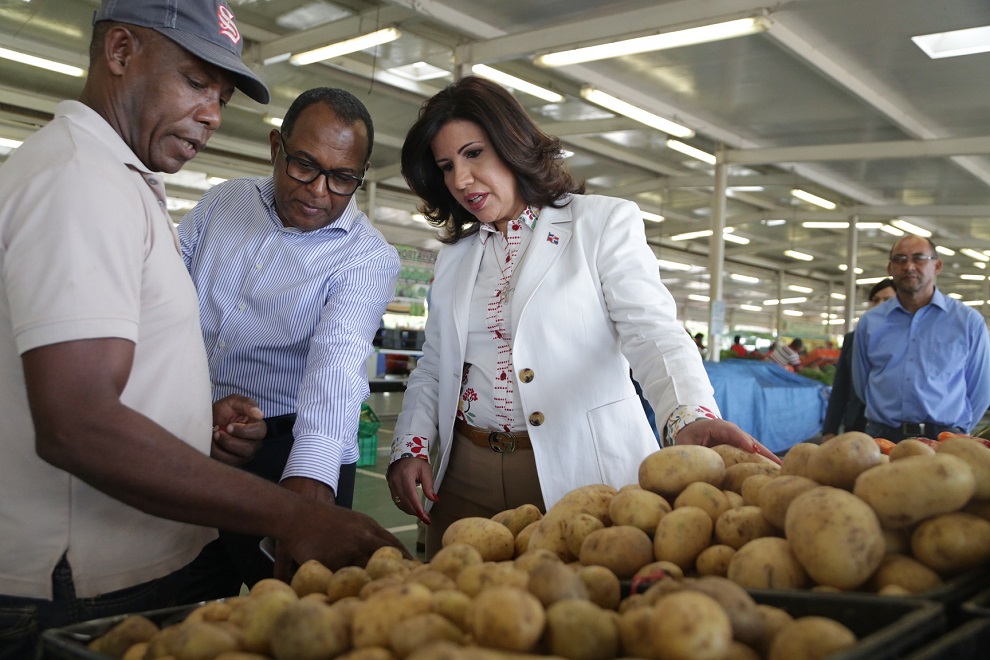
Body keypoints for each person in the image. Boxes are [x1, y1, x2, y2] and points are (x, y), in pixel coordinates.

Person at [0, 1, 405, 652]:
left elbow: (335, 368)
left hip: (243, 457)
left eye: (220, 96)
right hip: (83, 573)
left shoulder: (122, 181)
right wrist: (290, 513)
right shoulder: (86, 182)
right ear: (122, 52)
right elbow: (77, 419)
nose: (213, 114)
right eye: (195, 81)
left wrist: (200, 415)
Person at [384, 76, 778, 558]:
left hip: (577, 469)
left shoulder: (600, 223)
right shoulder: (455, 257)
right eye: (446, 166)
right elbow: (435, 362)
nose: (460, 179)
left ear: (512, 145)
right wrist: (411, 445)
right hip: (466, 472)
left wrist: (687, 412)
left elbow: (651, 332)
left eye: (473, 153)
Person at [177, 87, 400, 599]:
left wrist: (308, 493)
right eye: (304, 165)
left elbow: (337, 366)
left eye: (343, 178)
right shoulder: (223, 203)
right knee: (180, 598)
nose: (320, 190)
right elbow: (164, 303)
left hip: (292, 450)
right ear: (277, 148)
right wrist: (187, 410)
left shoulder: (365, 257)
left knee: (293, 613)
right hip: (194, 431)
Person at [853, 236, 990, 443]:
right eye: (900, 259)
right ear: (890, 268)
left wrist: (959, 430)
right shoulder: (870, 323)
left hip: (945, 437)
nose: (909, 266)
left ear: (937, 265)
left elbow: (980, 389)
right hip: (883, 436)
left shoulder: (968, 322)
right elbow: (862, 383)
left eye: (919, 258)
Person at [820, 278, 895, 442]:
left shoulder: (906, 340)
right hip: (856, 423)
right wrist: (830, 430)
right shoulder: (853, 339)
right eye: (875, 300)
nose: (879, 304)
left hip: (889, 426)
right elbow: (840, 386)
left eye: (887, 299)